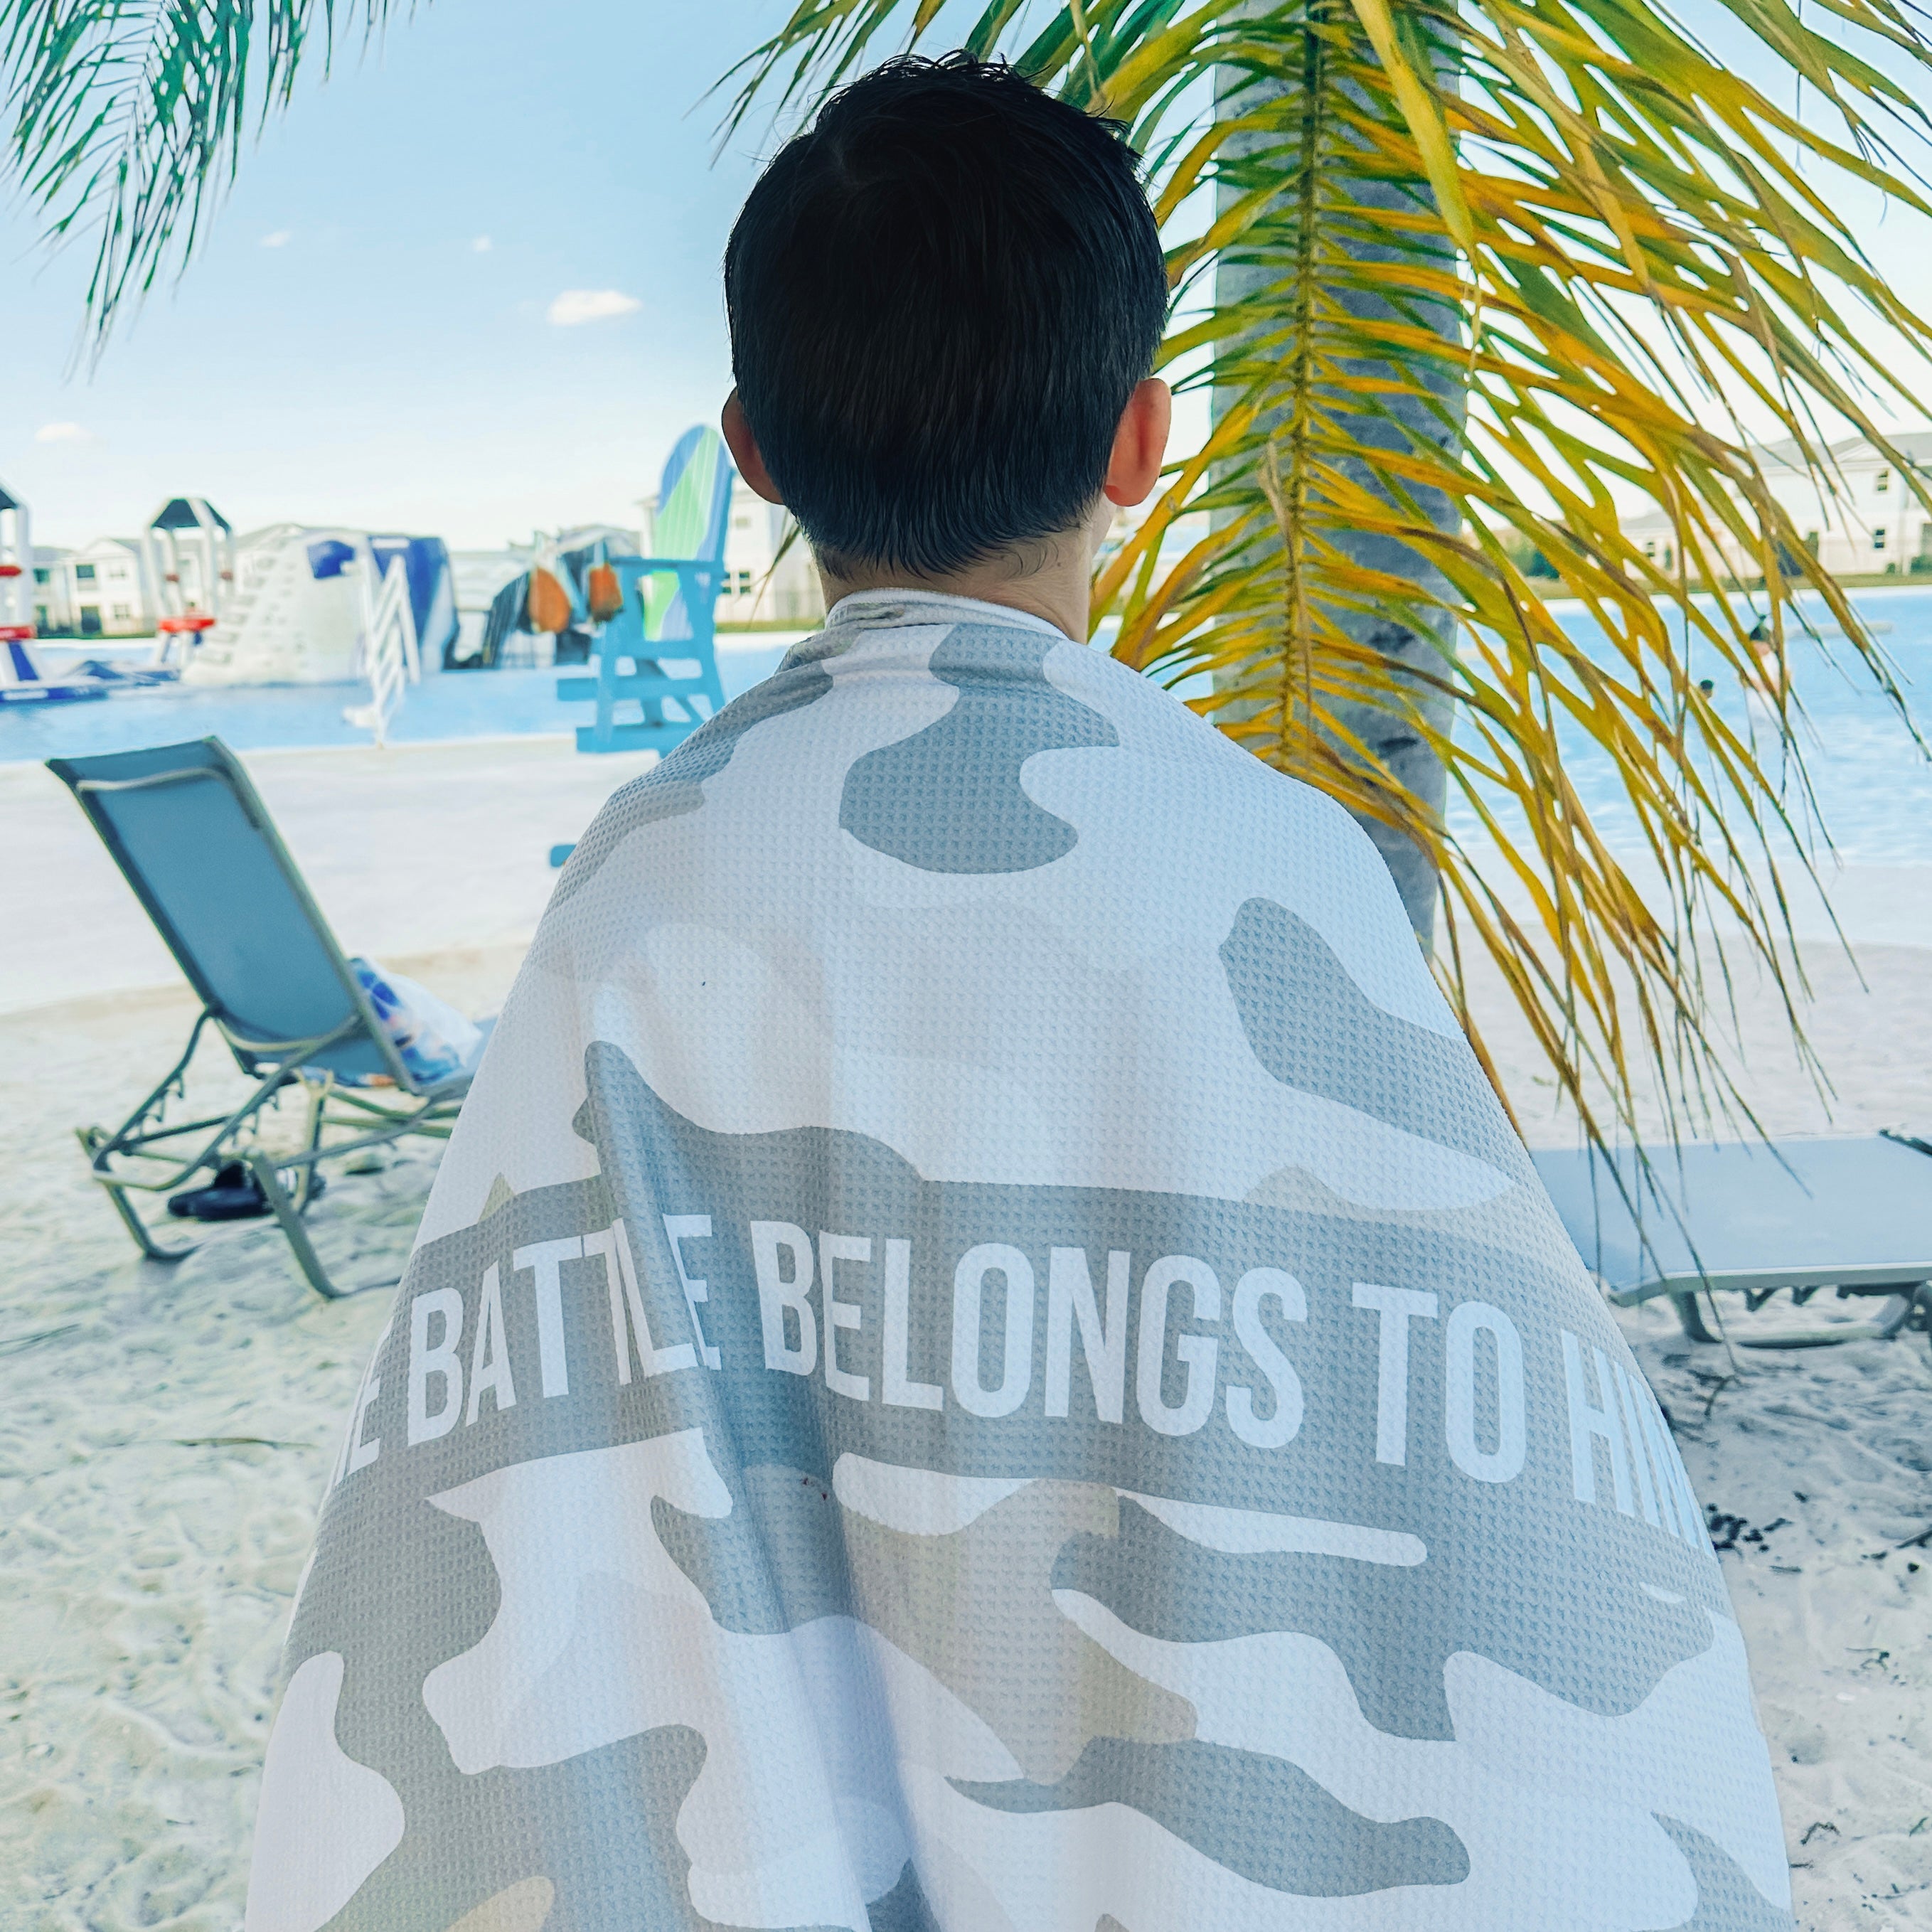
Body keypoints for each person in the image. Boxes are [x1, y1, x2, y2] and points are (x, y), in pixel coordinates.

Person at [245, 54, 1791, 1932]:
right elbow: (1499, 1480)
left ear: (751, 453)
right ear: (1142, 440)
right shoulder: (1277, 861)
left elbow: (516, 1469)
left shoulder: (644, 884)